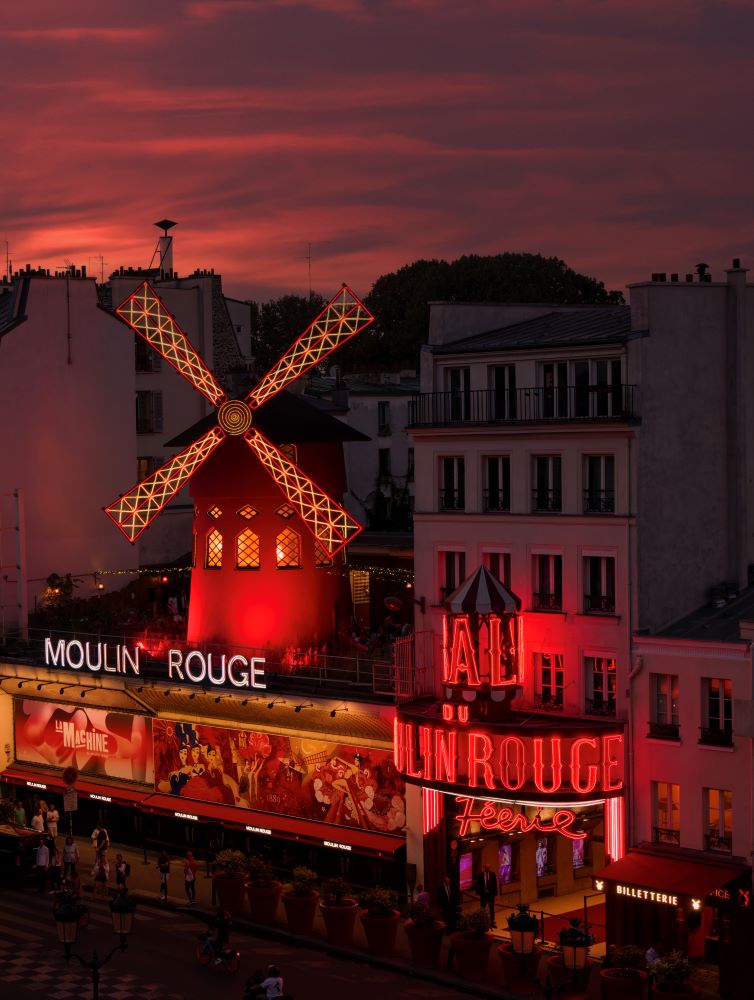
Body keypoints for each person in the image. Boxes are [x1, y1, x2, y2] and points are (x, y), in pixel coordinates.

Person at [475, 862, 498, 928]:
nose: (488, 869)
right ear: (484, 868)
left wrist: (495, 894)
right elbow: (478, 885)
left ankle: (492, 922)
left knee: (492, 909)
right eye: (487, 868)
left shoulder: (492, 874)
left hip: (491, 895)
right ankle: (482, 922)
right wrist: (479, 893)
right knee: (482, 909)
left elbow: (495, 885)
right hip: (483, 895)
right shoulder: (480, 875)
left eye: (489, 868)